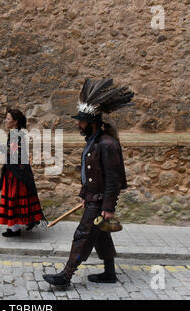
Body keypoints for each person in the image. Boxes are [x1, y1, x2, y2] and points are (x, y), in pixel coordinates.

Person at [43, 78, 134, 286]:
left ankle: (66, 275)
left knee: (83, 235)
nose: (79, 125)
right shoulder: (93, 142)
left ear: (92, 123)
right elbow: (89, 173)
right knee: (101, 235)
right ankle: (109, 273)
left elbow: (113, 179)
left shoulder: (107, 144)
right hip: (93, 198)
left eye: (81, 121)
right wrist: (84, 194)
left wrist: (108, 207)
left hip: (100, 201)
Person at [0, 108, 47, 237]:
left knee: (14, 200)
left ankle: (15, 229)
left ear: (15, 121)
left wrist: (2, 150)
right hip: (16, 171)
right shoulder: (16, 133)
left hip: (17, 173)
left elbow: (16, 154)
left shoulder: (17, 134)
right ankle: (22, 224)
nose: (6, 121)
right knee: (18, 200)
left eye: (8, 119)